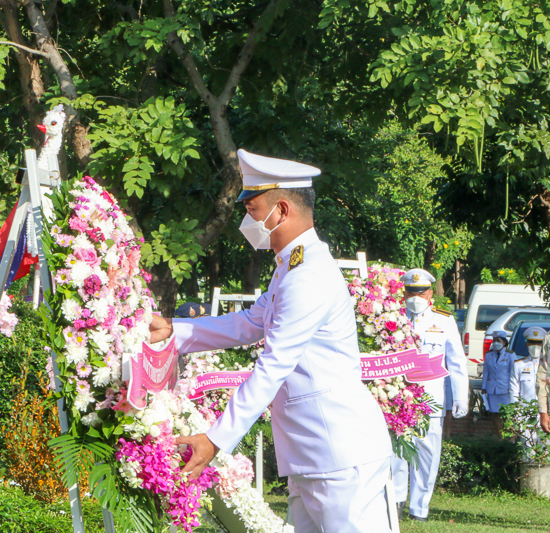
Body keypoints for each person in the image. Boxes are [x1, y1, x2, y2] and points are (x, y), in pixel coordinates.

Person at [150, 149, 393, 533]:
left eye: (253, 208)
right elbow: (250, 322)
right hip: (314, 455)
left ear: (281, 210)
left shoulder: (308, 273)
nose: (247, 219)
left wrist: (215, 439)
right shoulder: (291, 268)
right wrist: (174, 329)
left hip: (341, 457)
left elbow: (275, 363)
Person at [391, 269, 469, 522]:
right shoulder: (391, 317)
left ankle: (419, 509)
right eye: (411, 291)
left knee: (427, 455)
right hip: (396, 398)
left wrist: (460, 398)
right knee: (397, 453)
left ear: (430, 293)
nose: (415, 296)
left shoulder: (444, 321)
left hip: (430, 400)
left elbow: (456, 362)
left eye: (420, 291)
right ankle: (396, 501)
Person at [482, 330, 513, 435]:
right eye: (494, 340)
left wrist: (512, 388)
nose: (495, 343)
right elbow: (486, 371)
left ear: (504, 342)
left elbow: (513, 373)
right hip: (492, 389)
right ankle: (500, 435)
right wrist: (484, 387)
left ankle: (510, 436)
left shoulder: (510, 355)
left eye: (498, 340)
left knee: (507, 414)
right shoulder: (489, 354)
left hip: (505, 389)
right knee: (495, 413)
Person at [511, 327, 544, 404]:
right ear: (527, 344)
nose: (535, 346)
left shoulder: (547, 365)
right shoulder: (519, 365)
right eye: (532, 343)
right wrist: (515, 411)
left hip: (545, 413)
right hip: (525, 411)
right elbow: (513, 390)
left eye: (539, 343)